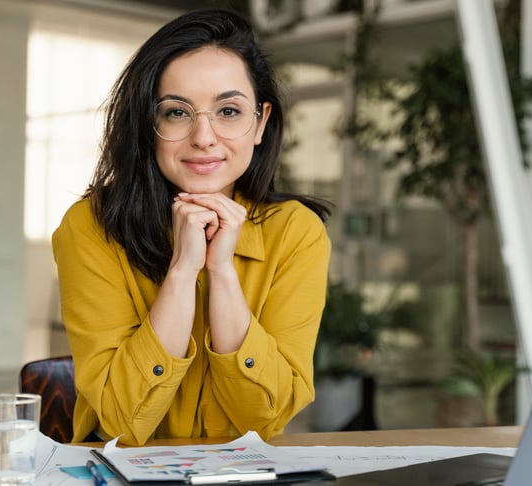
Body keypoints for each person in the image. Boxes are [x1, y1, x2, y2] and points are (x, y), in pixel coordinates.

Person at [52, 8, 331, 446]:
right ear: (148, 124)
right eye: (177, 112)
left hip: (243, 472)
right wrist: (183, 271)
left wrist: (221, 270)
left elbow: (266, 419)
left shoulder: (296, 232)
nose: (203, 137)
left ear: (260, 123)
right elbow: (122, 423)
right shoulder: (90, 226)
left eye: (229, 110)